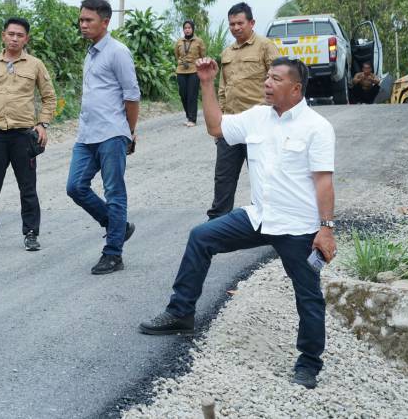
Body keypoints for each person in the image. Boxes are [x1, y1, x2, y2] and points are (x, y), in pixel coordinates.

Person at [139, 56, 337, 391]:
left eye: (275, 79)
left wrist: (326, 228)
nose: (267, 84)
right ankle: (181, 313)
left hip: (297, 227)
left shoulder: (317, 127)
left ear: (296, 88)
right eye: (267, 78)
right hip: (259, 216)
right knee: (201, 237)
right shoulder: (258, 117)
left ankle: (309, 363)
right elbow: (216, 127)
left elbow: (323, 182)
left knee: (308, 296)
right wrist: (206, 82)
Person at [66, 0, 140, 275]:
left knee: (114, 193)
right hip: (87, 135)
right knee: (75, 187)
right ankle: (118, 226)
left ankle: (113, 254)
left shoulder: (118, 52)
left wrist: (129, 132)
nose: (83, 25)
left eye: (89, 20)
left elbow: (131, 96)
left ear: (105, 22)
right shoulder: (91, 52)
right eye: (81, 20)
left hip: (111, 133)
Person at [0, 17, 57, 253]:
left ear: (26, 38)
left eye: (20, 35)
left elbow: (49, 97)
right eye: (11, 34)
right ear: (3, 36)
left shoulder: (35, 65)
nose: (14, 38)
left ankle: (31, 233)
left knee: (27, 187)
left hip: (23, 135)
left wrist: (43, 124)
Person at [207, 2, 280, 220]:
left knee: (263, 176)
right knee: (223, 176)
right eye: (232, 24)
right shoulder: (227, 52)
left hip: (260, 123)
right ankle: (217, 222)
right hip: (231, 123)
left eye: (240, 23)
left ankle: (269, 220)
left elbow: (279, 79)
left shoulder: (266, 46)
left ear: (251, 23)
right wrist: (220, 121)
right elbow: (223, 88)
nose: (236, 28)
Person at [174, 20, 206, 127]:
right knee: (183, 94)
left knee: (192, 95)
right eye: (185, 28)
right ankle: (188, 116)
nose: (187, 30)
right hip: (181, 70)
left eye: (189, 28)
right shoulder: (179, 42)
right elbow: (177, 55)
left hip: (194, 70)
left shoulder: (199, 41)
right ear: (183, 30)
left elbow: (203, 55)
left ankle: (192, 119)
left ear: (193, 29)